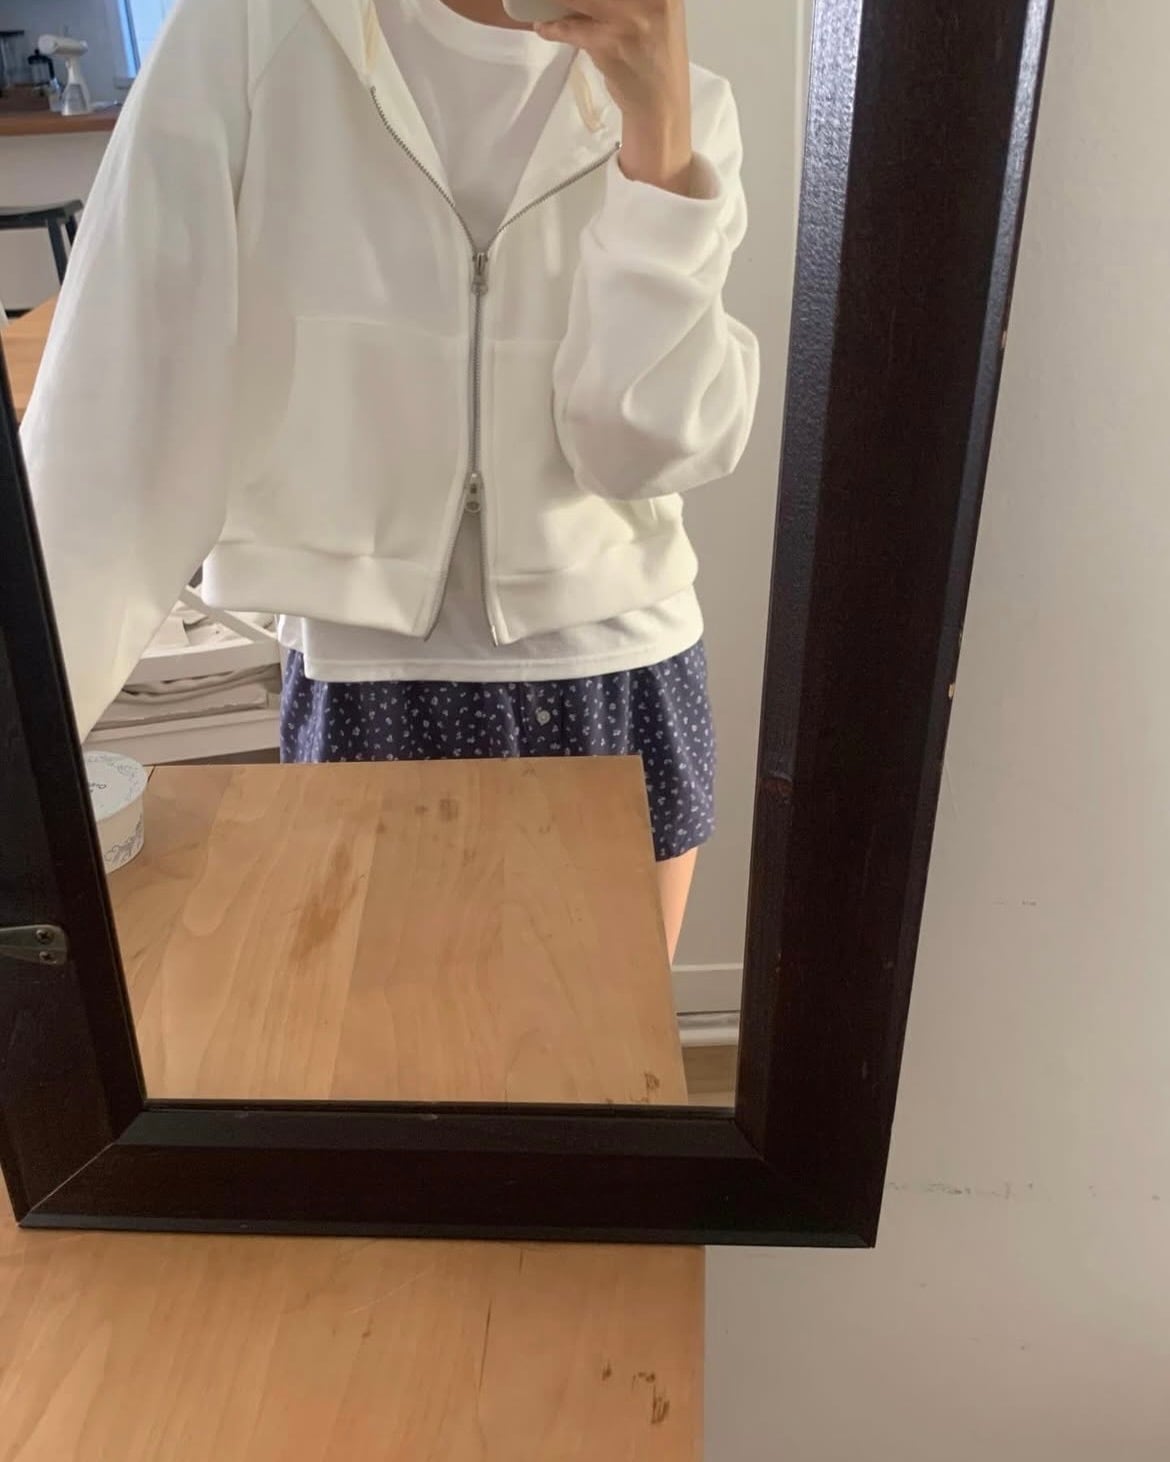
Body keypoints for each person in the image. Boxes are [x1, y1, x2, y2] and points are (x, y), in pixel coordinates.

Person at [23, 0, 760, 959]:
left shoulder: (684, 99)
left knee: (601, 1056)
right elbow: (112, 417)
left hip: (620, 675)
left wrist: (657, 134)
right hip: (369, 682)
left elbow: (638, 453)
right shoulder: (253, 31)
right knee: (373, 1052)